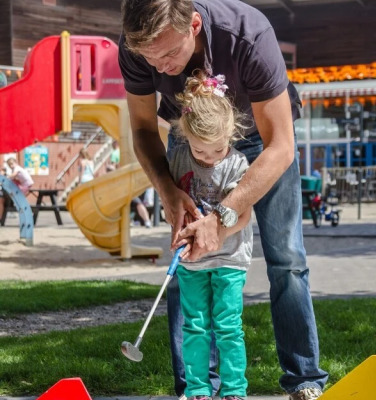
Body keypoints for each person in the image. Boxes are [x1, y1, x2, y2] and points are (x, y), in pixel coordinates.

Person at [118, 1, 328, 399]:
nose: (160, 67)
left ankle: (304, 379)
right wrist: (168, 191)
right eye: (150, 58)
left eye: (168, 55)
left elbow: (281, 146)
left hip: (259, 134)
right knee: (189, 254)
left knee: (286, 256)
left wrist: (222, 216)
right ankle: (195, 387)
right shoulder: (137, 43)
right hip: (190, 132)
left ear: (194, 24)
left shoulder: (248, 35)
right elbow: (144, 129)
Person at [168, 71, 252, 400]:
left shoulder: (237, 164)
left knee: (228, 326)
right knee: (196, 326)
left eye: (218, 150)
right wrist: (177, 226)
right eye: (201, 152)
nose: (210, 158)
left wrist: (216, 230)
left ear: (229, 136)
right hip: (192, 261)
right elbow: (171, 204)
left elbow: (243, 214)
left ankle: (234, 391)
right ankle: (198, 390)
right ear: (185, 136)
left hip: (230, 258)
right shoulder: (177, 159)